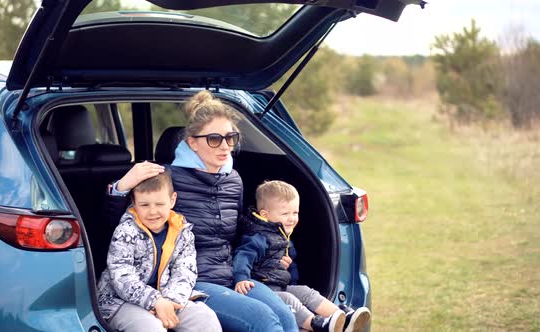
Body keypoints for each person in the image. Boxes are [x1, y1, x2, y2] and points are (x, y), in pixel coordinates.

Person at [106, 90, 298, 332]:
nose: (225, 146)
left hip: (233, 274)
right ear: (192, 143)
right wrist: (122, 186)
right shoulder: (166, 178)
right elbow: (122, 224)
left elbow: (240, 232)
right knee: (263, 320)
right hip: (193, 280)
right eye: (214, 139)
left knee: (286, 316)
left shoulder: (234, 180)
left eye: (231, 138)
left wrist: (271, 253)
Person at [233, 180, 372, 332]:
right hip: (262, 290)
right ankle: (316, 324)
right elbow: (242, 257)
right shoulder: (258, 236)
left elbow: (288, 267)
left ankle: (342, 317)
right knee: (290, 300)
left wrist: (287, 274)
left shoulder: (281, 234)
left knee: (305, 291)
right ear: (265, 215)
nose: (292, 218)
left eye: (295, 213)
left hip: (279, 286)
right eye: (285, 214)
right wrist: (241, 279)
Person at [97, 170, 222, 332]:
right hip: (120, 301)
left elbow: (185, 271)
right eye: (144, 205)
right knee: (151, 327)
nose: (153, 212)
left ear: (172, 200)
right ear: (134, 203)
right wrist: (155, 301)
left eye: (160, 204)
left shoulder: (181, 231)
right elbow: (121, 276)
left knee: (205, 319)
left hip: (166, 296)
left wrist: (169, 301)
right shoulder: (125, 231)